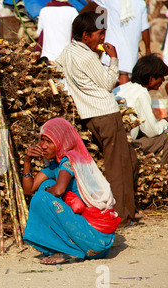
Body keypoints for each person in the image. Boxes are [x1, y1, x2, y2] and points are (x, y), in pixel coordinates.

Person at [56, 11, 139, 228]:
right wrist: (113, 58)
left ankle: (127, 210)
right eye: (100, 34)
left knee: (127, 158)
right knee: (118, 165)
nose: (103, 39)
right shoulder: (87, 56)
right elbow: (108, 83)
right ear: (85, 36)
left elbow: (55, 68)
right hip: (106, 113)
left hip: (89, 115)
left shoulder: (69, 51)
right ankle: (121, 216)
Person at [22, 118, 120, 265]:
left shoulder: (69, 160)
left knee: (42, 196)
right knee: (45, 186)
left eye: (49, 141)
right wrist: (27, 161)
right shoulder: (56, 164)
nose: (43, 146)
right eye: (42, 141)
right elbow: (29, 189)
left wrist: (45, 198)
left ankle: (70, 251)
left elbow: (59, 189)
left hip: (95, 238)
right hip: (94, 241)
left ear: (62, 141)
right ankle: (68, 247)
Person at [113, 54, 168, 191]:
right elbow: (151, 130)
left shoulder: (123, 87)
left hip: (113, 139)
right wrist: (166, 123)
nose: (162, 81)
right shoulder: (141, 93)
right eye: (161, 77)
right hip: (124, 145)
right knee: (163, 140)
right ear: (151, 78)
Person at [84, 0, 151, 85]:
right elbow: (145, 28)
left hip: (111, 48)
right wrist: (148, 48)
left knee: (109, 78)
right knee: (125, 77)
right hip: (130, 49)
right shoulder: (140, 3)